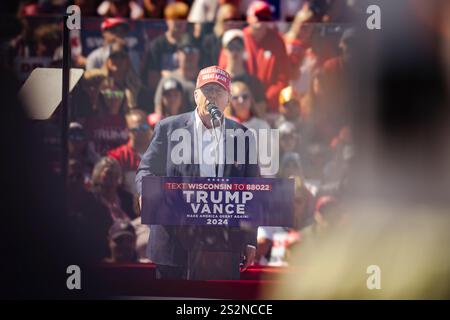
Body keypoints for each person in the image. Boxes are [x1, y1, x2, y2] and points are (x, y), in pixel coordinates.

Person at [136, 65, 260, 280]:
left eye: (218, 91)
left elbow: (252, 190)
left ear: (228, 99)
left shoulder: (243, 135)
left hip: (223, 244)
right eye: (207, 90)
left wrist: (249, 239)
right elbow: (146, 170)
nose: (212, 96)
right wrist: (147, 191)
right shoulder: (169, 129)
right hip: (174, 242)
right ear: (196, 95)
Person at [218, 0, 289, 112]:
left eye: (265, 17)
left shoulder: (277, 41)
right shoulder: (238, 39)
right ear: (249, 18)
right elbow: (224, 71)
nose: (261, 20)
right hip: (239, 105)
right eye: (258, 16)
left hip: (268, 107)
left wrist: (264, 101)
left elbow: (283, 77)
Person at [221, 29, 267, 116]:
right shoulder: (218, 82)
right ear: (224, 50)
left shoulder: (254, 82)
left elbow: (261, 113)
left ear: (244, 49)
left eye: (238, 47)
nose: (235, 52)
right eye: (231, 47)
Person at [107, 109, 153, 195]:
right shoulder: (117, 157)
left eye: (144, 127)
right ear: (127, 131)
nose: (140, 132)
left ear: (149, 128)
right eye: (135, 129)